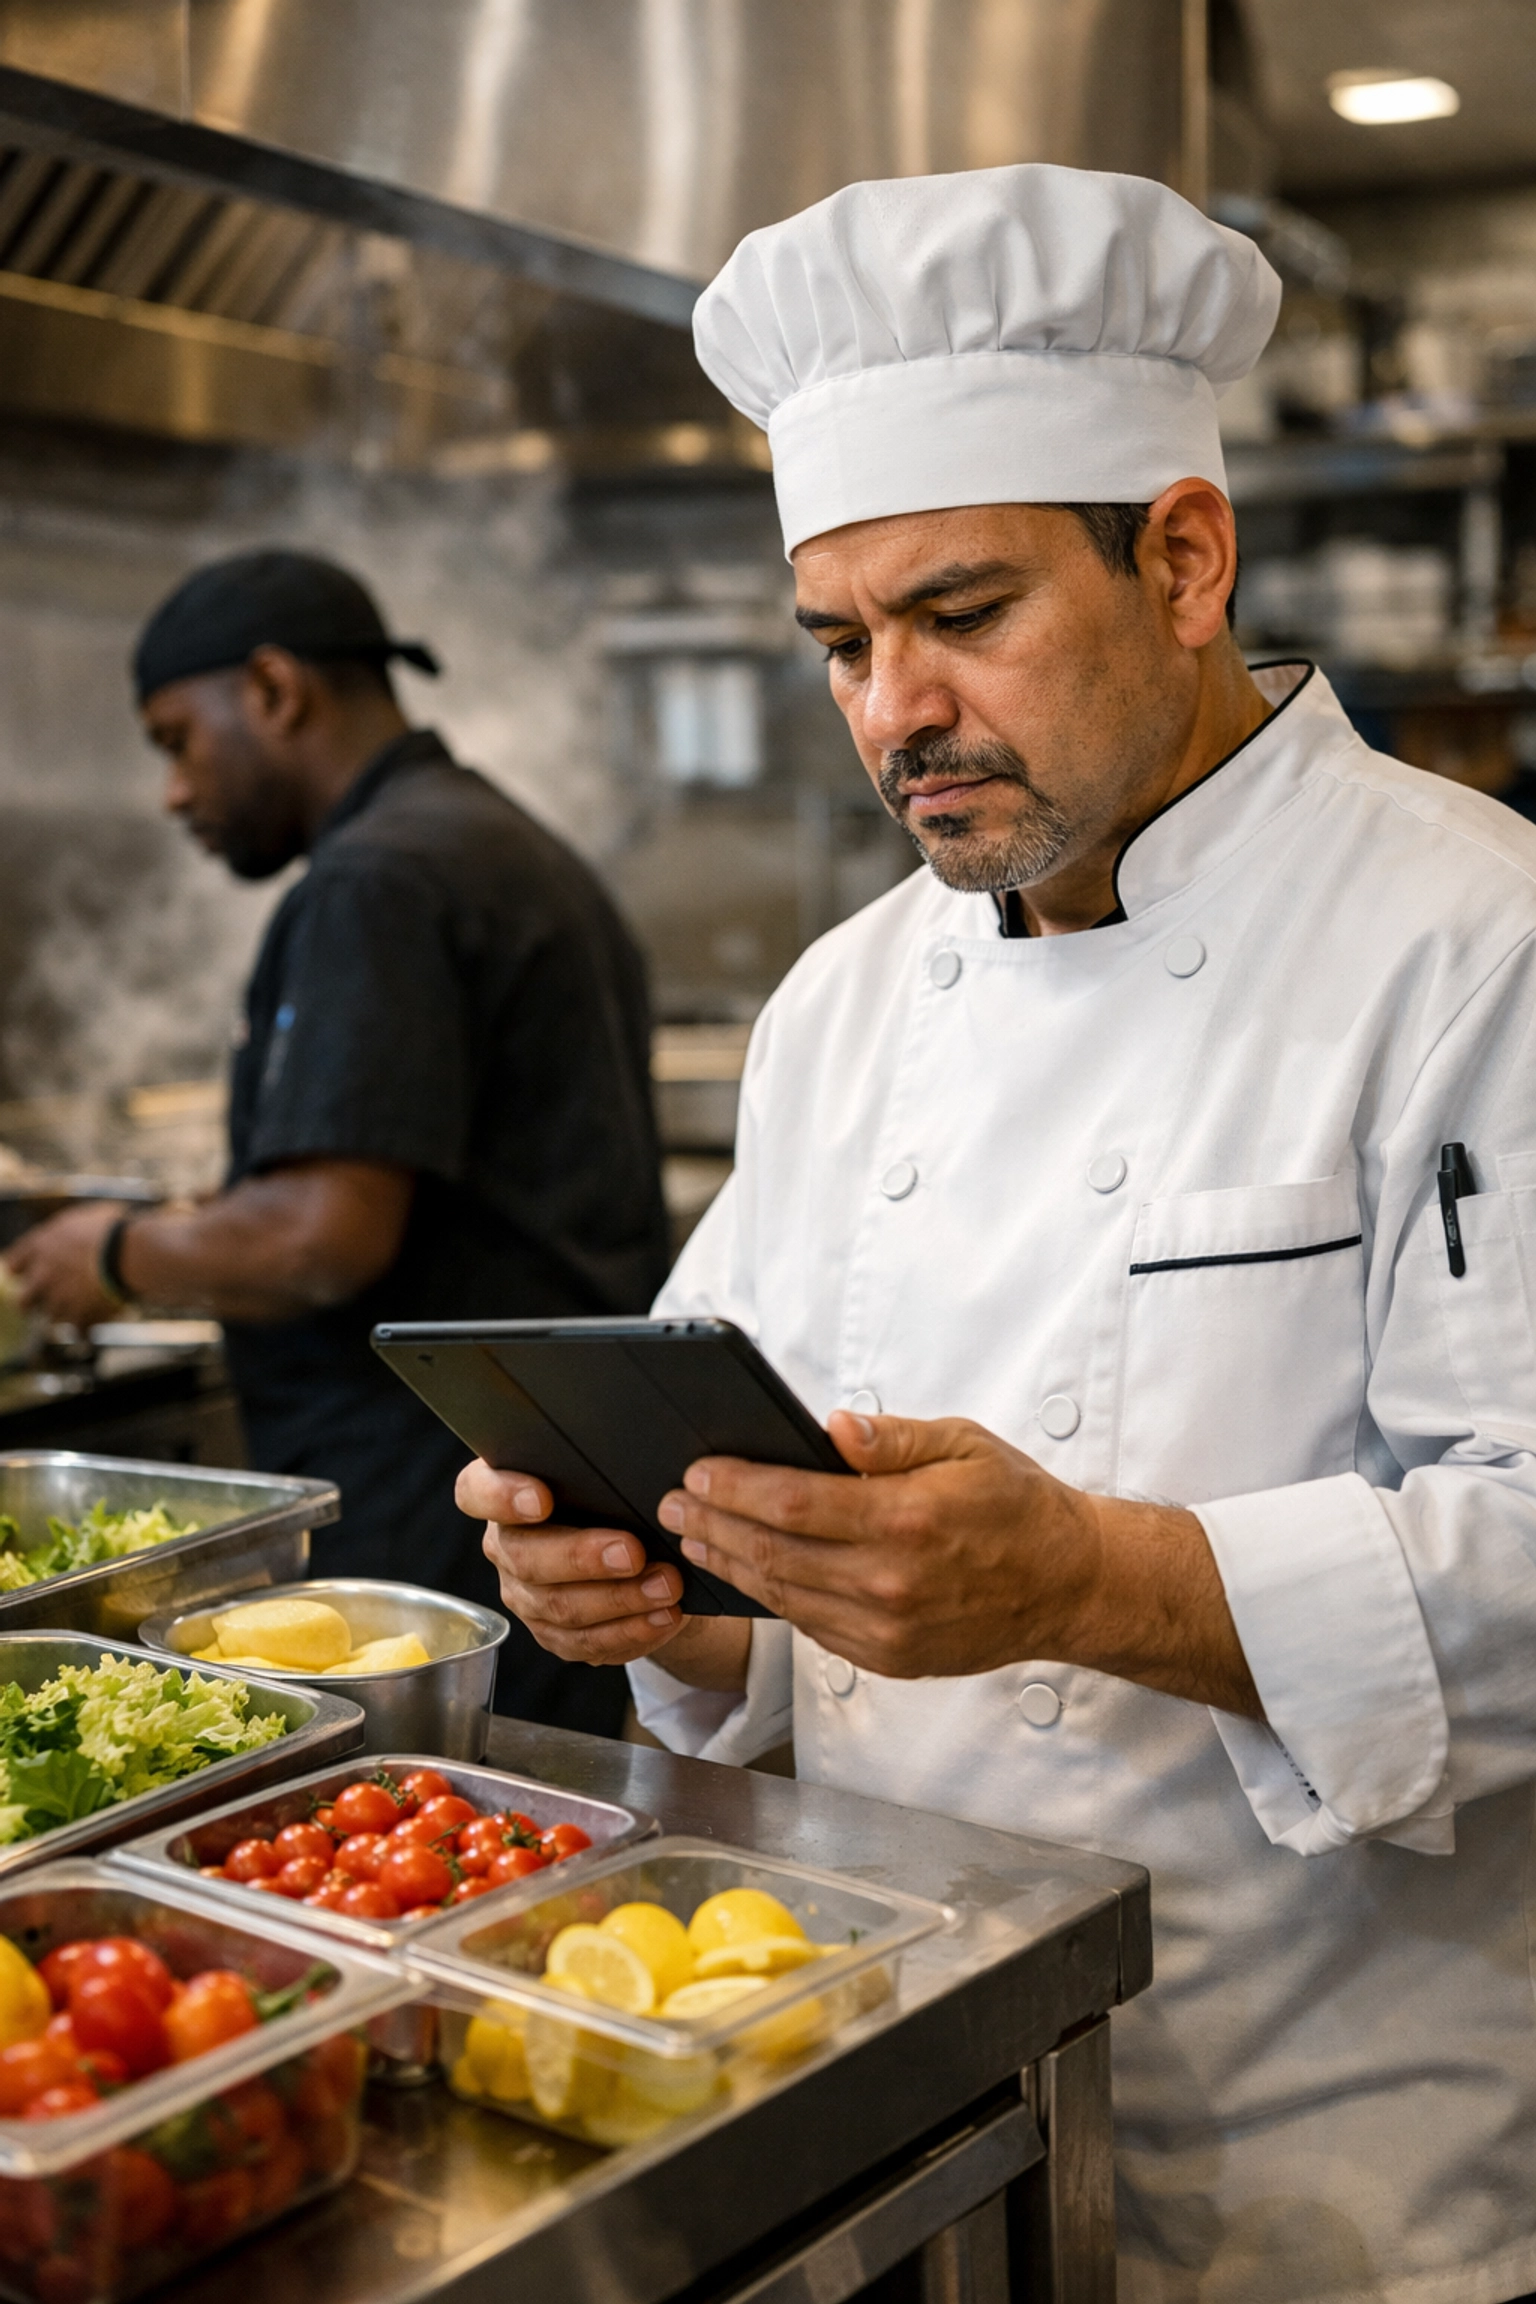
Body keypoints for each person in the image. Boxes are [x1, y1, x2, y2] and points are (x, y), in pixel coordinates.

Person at [461, 165, 1536, 2304]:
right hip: (902, 2089)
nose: (893, 711)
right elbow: (784, 1591)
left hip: (1323, 2150)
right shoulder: (846, 998)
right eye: (841, 643)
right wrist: (669, 1597)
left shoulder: (1473, 934)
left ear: (1186, 559)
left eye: (962, 614)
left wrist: (1087, 1579)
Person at [10, 549, 671, 1737]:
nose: (172, 792)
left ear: (274, 690)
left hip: (427, 1503)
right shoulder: (499, 843)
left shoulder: (378, 882)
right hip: (531, 1484)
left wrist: (114, 1254)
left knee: (439, 1803)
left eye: (177, 741)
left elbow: (325, 1236)